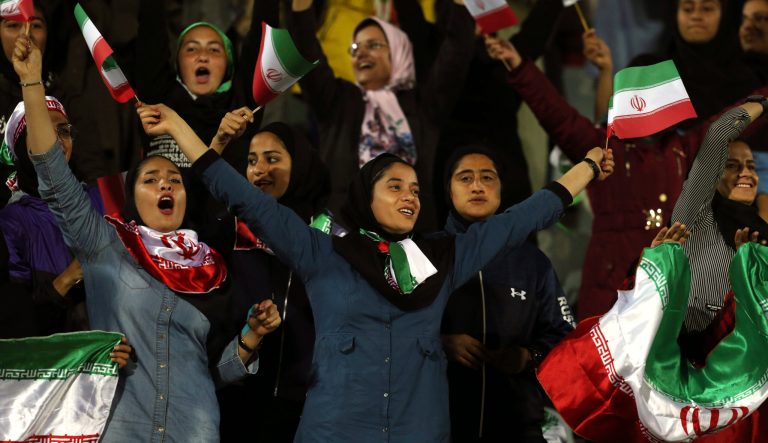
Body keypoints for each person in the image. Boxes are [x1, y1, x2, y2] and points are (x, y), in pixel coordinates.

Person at [136, 99, 613, 441]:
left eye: (415, 190)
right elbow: (245, 199)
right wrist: (179, 128)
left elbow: (518, 221)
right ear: (365, 196)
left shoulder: (441, 258)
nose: (410, 195)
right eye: (395, 186)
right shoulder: (322, 251)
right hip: (334, 429)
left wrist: (587, 167)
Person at [15, 35, 282, 441]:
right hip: (122, 428)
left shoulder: (209, 265)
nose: (166, 185)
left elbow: (217, 372)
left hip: (194, 430)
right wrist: (32, 82)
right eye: (151, 179)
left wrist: (252, 338)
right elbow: (53, 174)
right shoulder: (104, 243)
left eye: (174, 179)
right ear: (132, 197)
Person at [289, 0, 475, 231]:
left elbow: (456, 54)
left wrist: (460, 6)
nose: (361, 53)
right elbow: (306, 51)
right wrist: (300, 10)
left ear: (398, 51)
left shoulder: (423, 104)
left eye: (374, 45)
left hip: (411, 243)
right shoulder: (338, 101)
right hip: (342, 238)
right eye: (355, 48)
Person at [438, 146, 575, 442]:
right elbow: (391, 330)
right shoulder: (427, 254)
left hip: (517, 425)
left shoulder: (533, 262)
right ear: (448, 190)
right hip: (442, 424)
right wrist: (442, 344)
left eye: (488, 178)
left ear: (501, 188)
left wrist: (528, 356)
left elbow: (565, 338)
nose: (477, 186)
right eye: (465, 178)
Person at [212, 112, 332, 442]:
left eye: (272, 158)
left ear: (301, 164)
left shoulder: (329, 231)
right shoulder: (229, 228)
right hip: (239, 398)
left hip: (312, 405)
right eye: (252, 161)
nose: (260, 169)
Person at [0, 96, 98, 338]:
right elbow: (16, 321)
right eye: (41, 131)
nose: (55, 141)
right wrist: (69, 277)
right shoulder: (11, 221)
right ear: (22, 147)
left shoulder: (99, 200)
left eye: (64, 131)